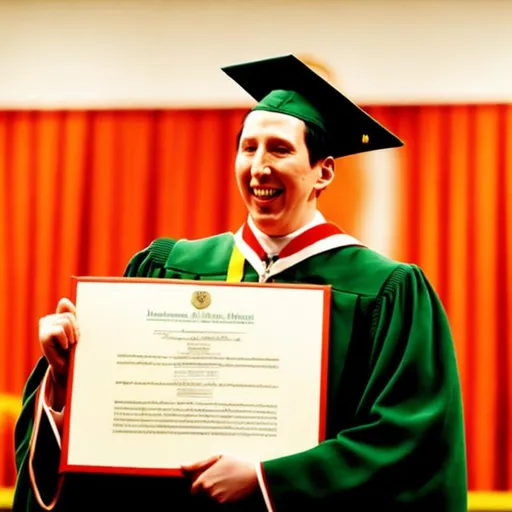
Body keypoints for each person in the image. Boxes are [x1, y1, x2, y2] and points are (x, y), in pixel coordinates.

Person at [13, 54, 467, 511]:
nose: (259, 167)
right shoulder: (167, 268)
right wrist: (67, 380)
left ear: (323, 172)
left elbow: (409, 441)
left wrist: (270, 480)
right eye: (249, 148)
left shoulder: (385, 291)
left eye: (280, 149)